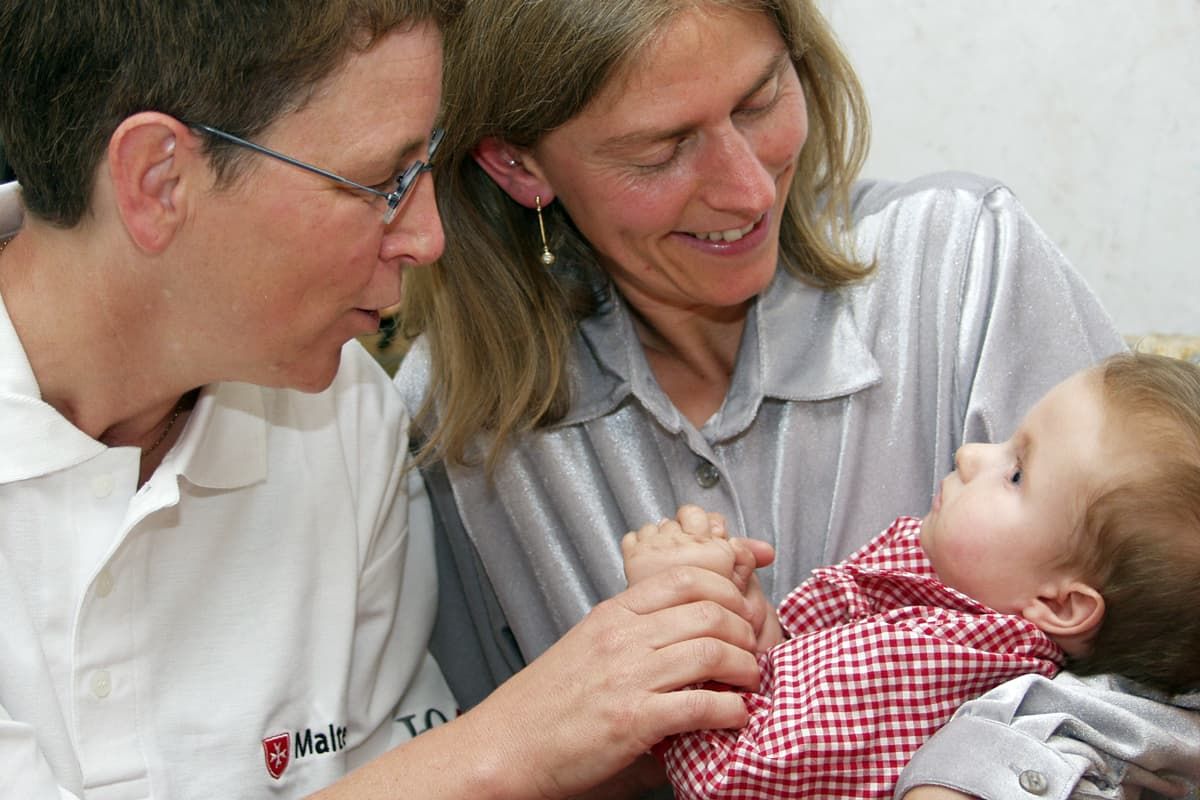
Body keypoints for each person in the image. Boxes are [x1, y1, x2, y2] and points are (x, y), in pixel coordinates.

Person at [392, 0, 1186, 794]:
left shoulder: (963, 265)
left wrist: (963, 775)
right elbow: (476, 759)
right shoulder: (453, 420)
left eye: (760, 99)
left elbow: (1171, 678)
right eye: (661, 150)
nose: (747, 191)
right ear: (519, 167)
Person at [0, 3, 770, 798]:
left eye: (427, 164)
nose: (427, 236)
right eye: (380, 181)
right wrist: (519, 738)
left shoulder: (345, 413)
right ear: (158, 179)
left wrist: (660, 704)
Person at [622, 352, 1200, 799]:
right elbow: (810, 709)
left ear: (1062, 605)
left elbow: (739, 781)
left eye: (1017, 473)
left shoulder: (943, 657)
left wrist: (681, 629)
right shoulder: (954, 602)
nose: (972, 454)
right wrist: (754, 625)